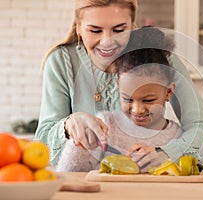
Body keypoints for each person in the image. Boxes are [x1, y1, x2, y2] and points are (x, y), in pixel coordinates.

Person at [35, 0, 203, 167]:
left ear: (133, 26)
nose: (107, 41)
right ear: (78, 28)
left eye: (119, 30)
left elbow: (202, 126)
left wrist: (168, 153)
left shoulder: (159, 57)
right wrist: (68, 125)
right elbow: (42, 144)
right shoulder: (61, 60)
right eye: (95, 31)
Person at [57, 27, 183, 172]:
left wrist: (164, 158)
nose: (137, 110)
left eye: (148, 100)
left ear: (168, 92)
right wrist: (81, 144)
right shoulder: (105, 125)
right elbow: (68, 172)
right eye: (127, 99)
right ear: (118, 86)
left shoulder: (177, 137)